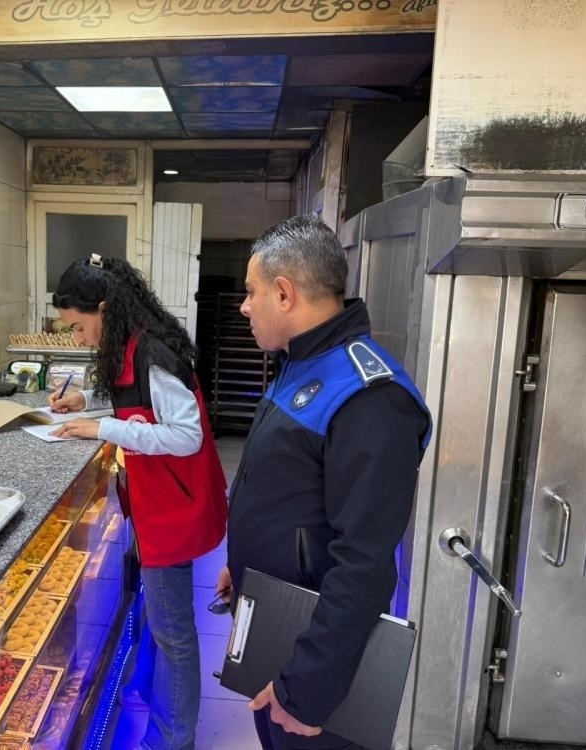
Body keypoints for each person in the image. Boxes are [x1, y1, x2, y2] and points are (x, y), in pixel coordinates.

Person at [216, 215, 432, 750]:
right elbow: (287, 491)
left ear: (284, 293)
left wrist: (305, 690)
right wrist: (241, 559)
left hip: (316, 662)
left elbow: (365, 563)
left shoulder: (370, 396)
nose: (243, 306)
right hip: (276, 625)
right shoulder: (300, 362)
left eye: (251, 292)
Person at [48, 253, 228, 750]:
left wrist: (102, 427)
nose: (81, 339)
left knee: (175, 634)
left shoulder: (151, 350)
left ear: (104, 308)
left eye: (80, 326)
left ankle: (171, 740)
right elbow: (142, 407)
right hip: (162, 501)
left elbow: (185, 434)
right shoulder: (136, 342)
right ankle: (149, 694)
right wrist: (89, 406)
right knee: (162, 617)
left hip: (175, 505)